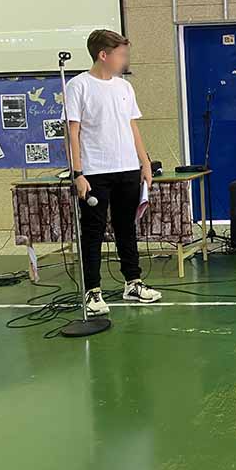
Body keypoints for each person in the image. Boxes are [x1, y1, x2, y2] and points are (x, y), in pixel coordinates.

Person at [66, 29, 161, 316]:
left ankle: (133, 282)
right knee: (93, 232)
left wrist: (144, 162)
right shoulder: (78, 86)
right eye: (120, 54)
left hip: (127, 169)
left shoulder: (124, 88)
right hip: (95, 170)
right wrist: (78, 172)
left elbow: (132, 126)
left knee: (126, 228)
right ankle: (92, 291)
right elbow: (72, 133)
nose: (125, 59)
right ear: (103, 55)